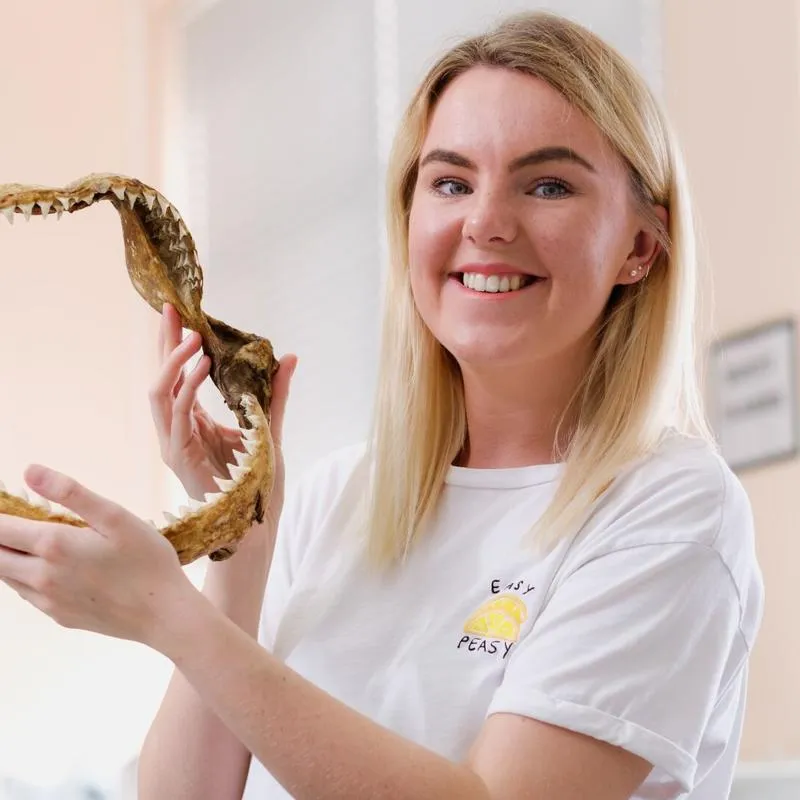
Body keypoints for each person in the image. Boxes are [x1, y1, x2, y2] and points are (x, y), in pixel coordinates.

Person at [0, 10, 764, 800]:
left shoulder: (673, 511)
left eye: (547, 184)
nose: (486, 222)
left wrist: (169, 617)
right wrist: (241, 550)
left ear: (641, 247)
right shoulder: (334, 499)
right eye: (451, 182)